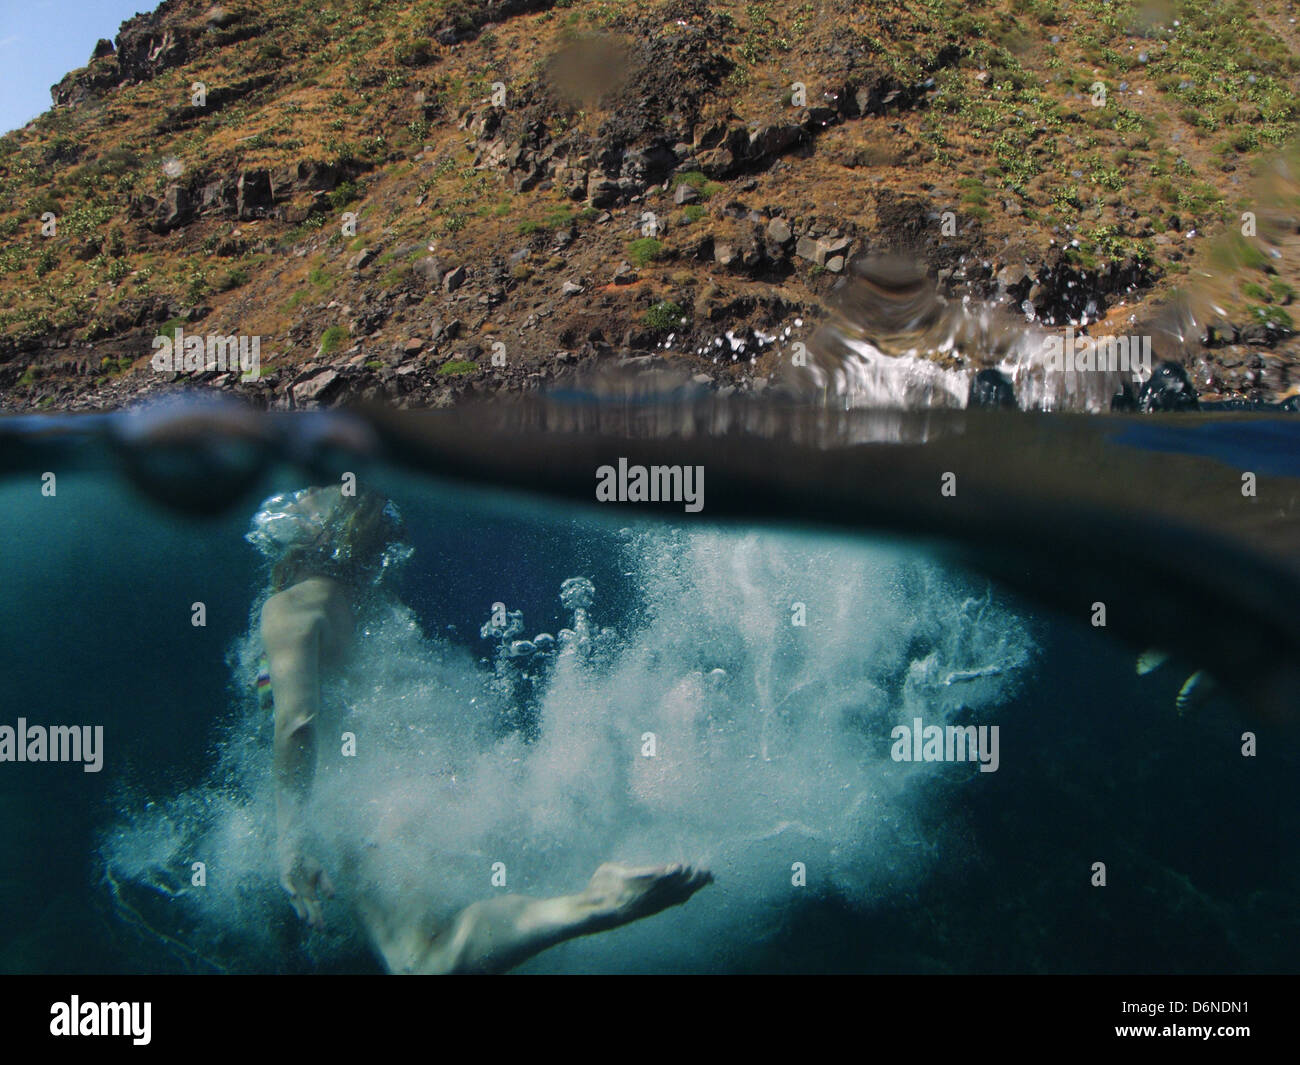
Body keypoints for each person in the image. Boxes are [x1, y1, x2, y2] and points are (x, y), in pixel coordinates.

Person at [247, 484, 712, 973]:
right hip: (419, 781)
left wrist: (290, 841)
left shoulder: (292, 607)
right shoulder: (363, 606)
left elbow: (297, 722)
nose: (291, 501)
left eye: (308, 500)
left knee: (419, 961)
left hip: (381, 804)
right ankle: (588, 902)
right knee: (431, 945)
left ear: (328, 532)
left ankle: (596, 904)